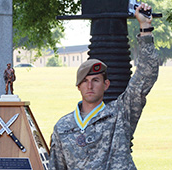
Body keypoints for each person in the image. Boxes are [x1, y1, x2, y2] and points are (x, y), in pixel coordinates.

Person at [49, 3, 158, 169]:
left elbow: (145, 76)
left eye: (96, 80)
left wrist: (145, 27)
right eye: (85, 81)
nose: (90, 86)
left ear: (106, 84)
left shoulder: (121, 115)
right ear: (78, 86)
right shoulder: (63, 127)